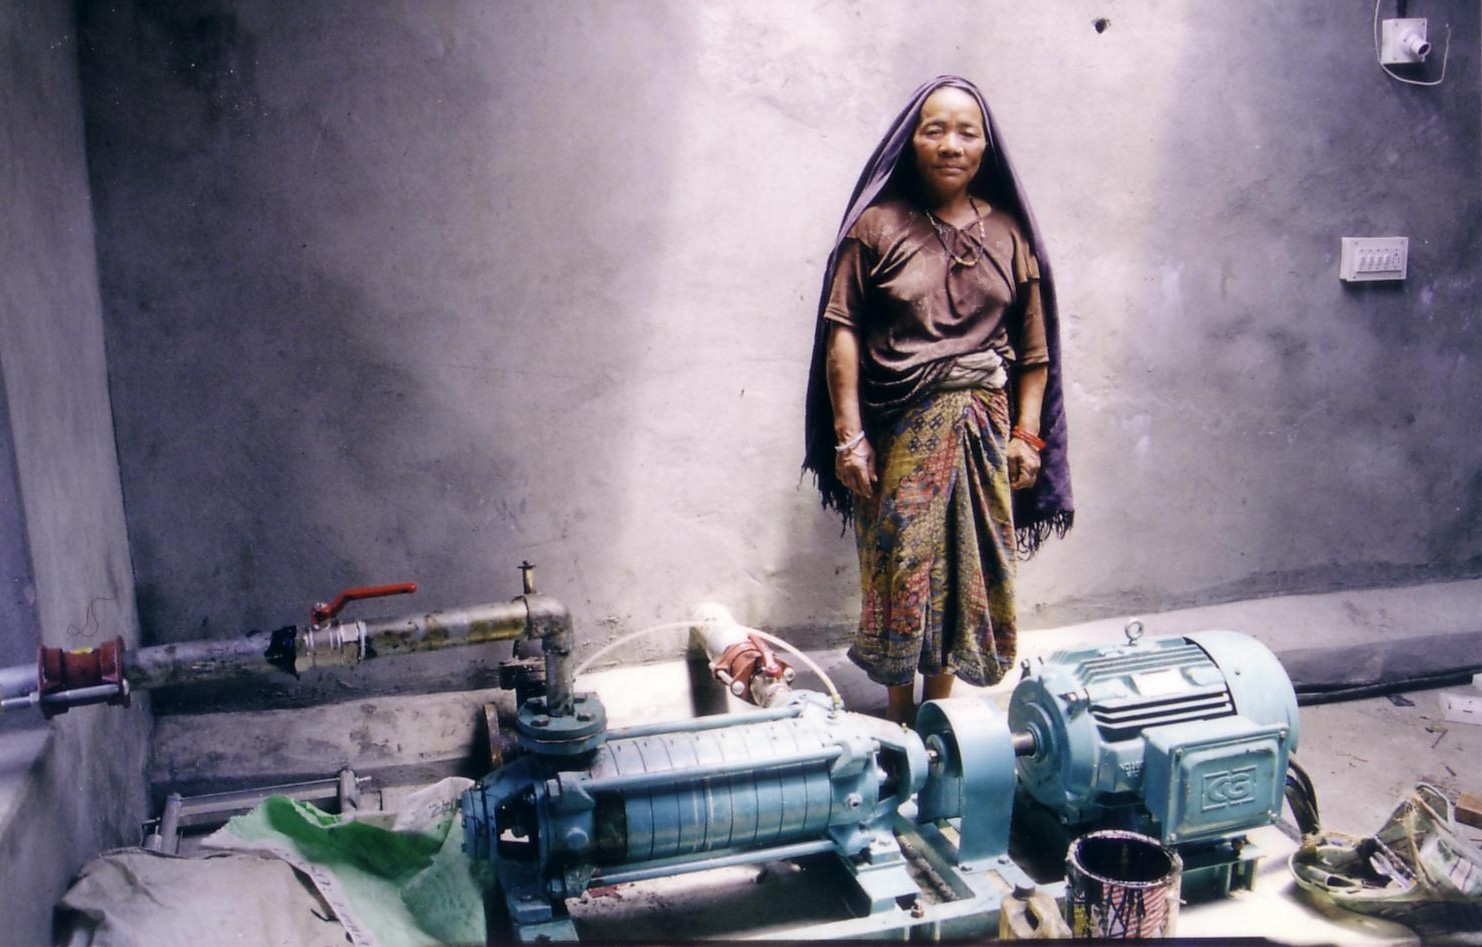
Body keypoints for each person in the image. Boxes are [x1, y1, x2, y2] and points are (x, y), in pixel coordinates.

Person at [802, 76, 1073, 724]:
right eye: (936, 130)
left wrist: (1027, 436)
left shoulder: (1009, 233)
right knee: (903, 573)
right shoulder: (875, 228)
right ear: (912, 142)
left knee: (963, 574)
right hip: (898, 435)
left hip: (984, 432)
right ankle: (900, 718)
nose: (951, 145)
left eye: (966, 132)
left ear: (985, 147)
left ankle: (938, 718)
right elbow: (842, 335)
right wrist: (849, 438)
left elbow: (1034, 352)